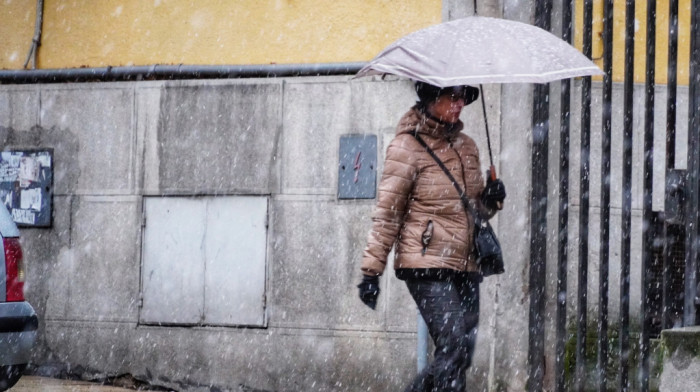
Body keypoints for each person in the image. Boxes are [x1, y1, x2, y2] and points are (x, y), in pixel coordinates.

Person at [357, 81, 506, 392]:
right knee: (452, 343)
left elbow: (475, 209)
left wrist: (491, 199)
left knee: (462, 351)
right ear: (429, 97)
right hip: (425, 261)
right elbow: (388, 212)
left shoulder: (467, 146)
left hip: (466, 263)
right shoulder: (406, 147)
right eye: (452, 96)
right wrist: (371, 271)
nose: (459, 103)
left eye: (463, 97)